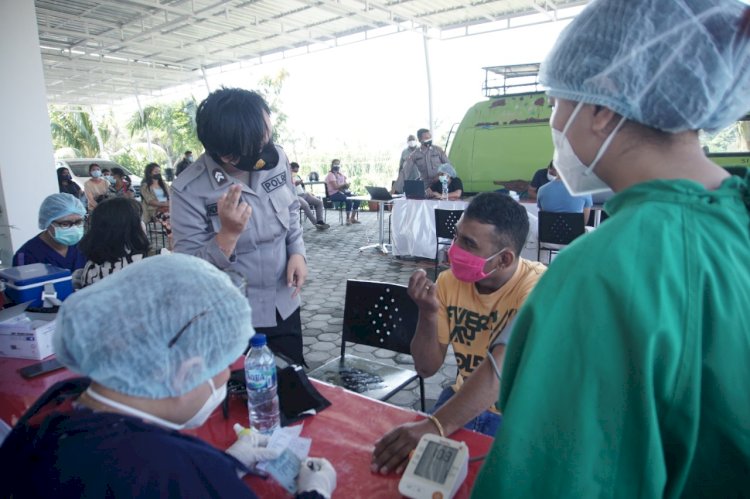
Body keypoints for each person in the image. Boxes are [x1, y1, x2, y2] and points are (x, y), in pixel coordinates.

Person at [471, 0, 750, 496]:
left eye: (558, 102)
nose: (554, 121)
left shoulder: (602, 273)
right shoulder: (735, 223)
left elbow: (552, 478)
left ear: (600, 108)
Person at [0, 254, 336, 499]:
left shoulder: (62, 400)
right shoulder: (169, 471)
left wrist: (224, 463)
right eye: (222, 363)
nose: (225, 377)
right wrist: (314, 494)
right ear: (185, 372)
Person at [371, 193, 546, 474]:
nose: (453, 250)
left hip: (519, 417)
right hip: (461, 400)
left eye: (468, 244)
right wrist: (427, 314)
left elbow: (498, 374)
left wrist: (435, 425)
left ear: (504, 259)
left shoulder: (538, 289)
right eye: (456, 237)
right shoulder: (450, 281)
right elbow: (426, 368)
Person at [171, 88, 308, 366]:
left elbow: (291, 209)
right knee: (242, 400)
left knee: (295, 390)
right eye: (258, 142)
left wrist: (297, 252)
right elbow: (188, 269)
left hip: (283, 304)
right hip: (230, 318)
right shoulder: (189, 189)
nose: (266, 145)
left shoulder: (277, 159)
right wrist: (227, 235)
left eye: (267, 134)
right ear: (228, 154)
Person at [77, 197, 150, 287]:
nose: (142, 223)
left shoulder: (91, 268)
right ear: (131, 227)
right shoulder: (151, 261)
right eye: (138, 219)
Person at [12, 193, 87, 272]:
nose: (74, 229)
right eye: (65, 224)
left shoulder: (85, 246)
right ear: (48, 223)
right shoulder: (27, 256)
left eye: (78, 222)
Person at [291, 161, 329, 230]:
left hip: (303, 194)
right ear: (290, 169)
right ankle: (316, 224)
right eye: (294, 171)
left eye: (297, 171)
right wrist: (297, 183)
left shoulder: (297, 176)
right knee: (305, 205)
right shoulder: (287, 176)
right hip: (295, 196)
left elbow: (301, 187)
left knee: (319, 202)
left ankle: (320, 221)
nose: (295, 172)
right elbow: (292, 185)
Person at [140, 162, 172, 240]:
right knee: (168, 217)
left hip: (168, 208)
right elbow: (150, 201)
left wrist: (169, 204)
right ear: (149, 173)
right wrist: (165, 204)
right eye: (156, 172)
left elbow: (171, 196)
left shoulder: (164, 184)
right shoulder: (145, 186)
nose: (158, 173)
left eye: (159, 171)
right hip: (155, 210)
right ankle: (171, 240)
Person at [324, 159, 361, 225]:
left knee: (357, 199)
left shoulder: (340, 174)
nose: (337, 166)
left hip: (341, 192)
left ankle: (352, 218)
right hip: (333, 194)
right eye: (336, 164)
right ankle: (347, 219)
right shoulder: (330, 175)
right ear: (332, 165)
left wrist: (347, 185)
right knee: (348, 200)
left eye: (338, 164)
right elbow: (335, 187)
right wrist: (344, 185)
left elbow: (343, 186)